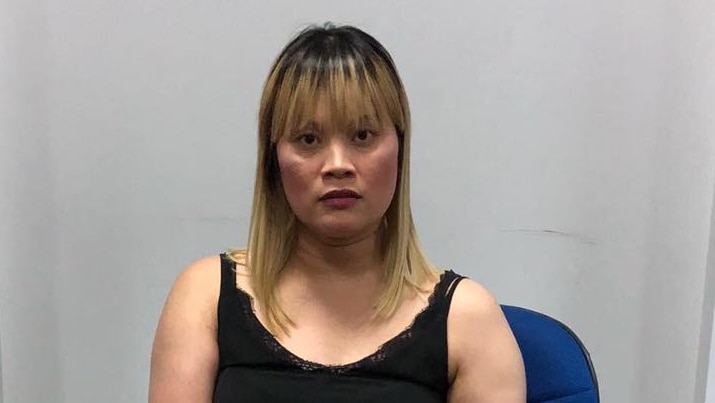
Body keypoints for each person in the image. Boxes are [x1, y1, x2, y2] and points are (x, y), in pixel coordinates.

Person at [149, 23, 525, 403]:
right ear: (273, 158)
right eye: (308, 139)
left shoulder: (467, 319)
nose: (338, 165)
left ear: (399, 147)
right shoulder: (205, 295)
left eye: (362, 135)